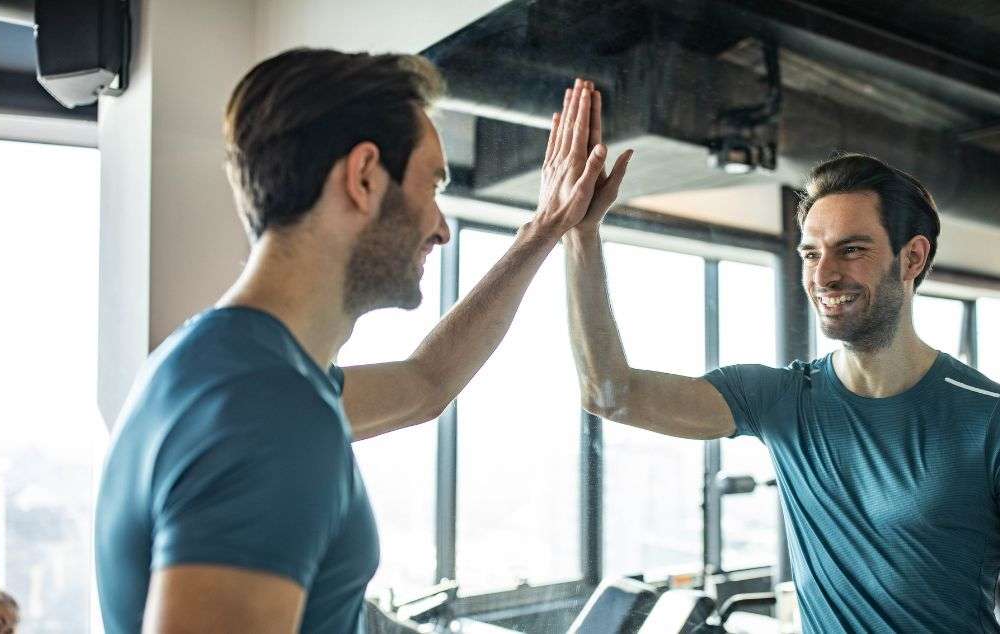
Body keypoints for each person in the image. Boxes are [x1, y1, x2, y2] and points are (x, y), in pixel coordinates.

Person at [95, 48, 615, 633]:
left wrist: (544, 230)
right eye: (431, 186)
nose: (441, 228)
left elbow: (426, 384)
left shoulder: (234, 369)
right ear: (365, 177)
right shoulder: (263, 412)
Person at [565, 149, 1000, 631]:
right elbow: (611, 394)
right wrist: (581, 235)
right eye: (809, 253)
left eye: (851, 250)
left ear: (913, 258)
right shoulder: (779, 399)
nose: (823, 275)